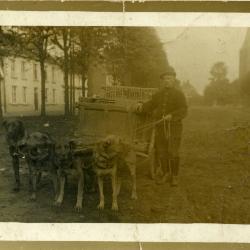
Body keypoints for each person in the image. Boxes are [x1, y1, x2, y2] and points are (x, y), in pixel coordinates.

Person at [136, 66, 188, 186]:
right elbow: (150, 105)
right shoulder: (158, 94)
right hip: (160, 128)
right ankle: (166, 173)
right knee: (162, 151)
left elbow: (184, 110)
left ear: (174, 79)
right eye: (164, 79)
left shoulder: (179, 94)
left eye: (169, 78)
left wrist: (172, 115)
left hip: (174, 128)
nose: (167, 81)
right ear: (162, 81)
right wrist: (140, 107)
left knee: (173, 152)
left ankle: (174, 176)